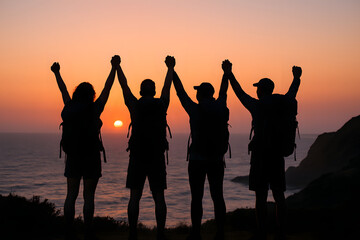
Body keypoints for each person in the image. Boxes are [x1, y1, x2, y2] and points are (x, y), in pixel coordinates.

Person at [224, 60, 302, 240]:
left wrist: (229, 74)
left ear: (261, 90)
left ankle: (261, 233)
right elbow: (293, 92)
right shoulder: (283, 104)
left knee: (260, 197)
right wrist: (296, 78)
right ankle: (281, 232)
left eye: (258, 88)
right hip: (277, 155)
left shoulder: (257, 106)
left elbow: (239, 93)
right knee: (279, 195)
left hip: (260, 156)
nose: (256, 90)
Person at [51, 56, 118, 240]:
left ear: (76, 94)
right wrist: (114, 68)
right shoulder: (95, 108)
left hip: (72, 156)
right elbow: (107, 88)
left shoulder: (69, 106)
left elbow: (63, 89)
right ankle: (88, 231)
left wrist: (57, 73)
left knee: (70, 195)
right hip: (91, 157)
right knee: (89, 196)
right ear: (92, 95)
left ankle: (68, 231)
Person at [171, 57, 230, 240]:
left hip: (197, 159)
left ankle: (196, 232)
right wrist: (225, 73)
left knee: (196, 197)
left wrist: (172, 70)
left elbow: (180, 92)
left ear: (199, 94)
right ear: (211, 94)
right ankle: (220, 232)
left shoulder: (194, 109)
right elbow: (224, 90)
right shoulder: (221, 106)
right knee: (217, 196)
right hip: (216, 160)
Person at [116, 56, 173, 240]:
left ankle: (133, 233)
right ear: (154, 91)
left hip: (137, 156)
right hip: (156, 156)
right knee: (159, 197)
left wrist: (118, 67)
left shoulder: (134, 104)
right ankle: (161, 233)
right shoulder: (161, 104)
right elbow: (167, 87)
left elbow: (124, 86)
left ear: (140, 91)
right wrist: (170, 68)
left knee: (135, 197)